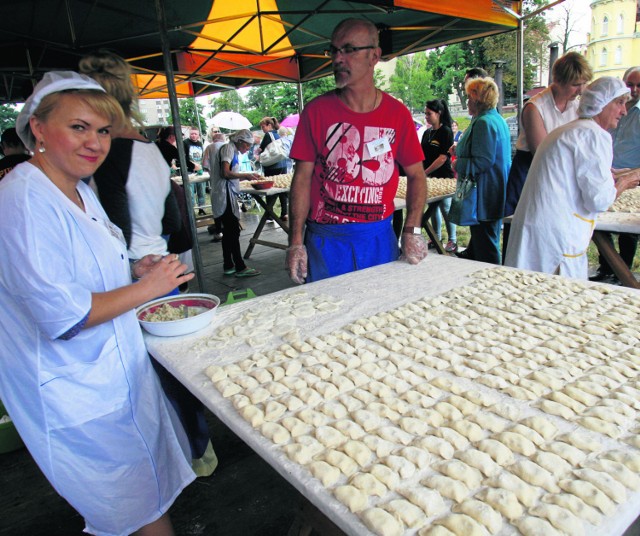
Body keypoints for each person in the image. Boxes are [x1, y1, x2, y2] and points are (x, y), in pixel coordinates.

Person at [0, 70, 195, 536]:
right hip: (74, 388)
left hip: (111, 373)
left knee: (144, 497)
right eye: (79, 127)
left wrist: (134, 271)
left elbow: (79, 272)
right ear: (39, 129)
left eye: (103, 130)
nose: (95, 142)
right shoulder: (23, 201)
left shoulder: (77, 188)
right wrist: (150, 289)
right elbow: (63, 314)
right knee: (132, 507)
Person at [80, 51, 217, 479]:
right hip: (163, 271)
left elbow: (112, 227)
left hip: (133, 276)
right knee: (176, 371)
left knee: (149, 378)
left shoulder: (107, 156)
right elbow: (176, 221)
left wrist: (137, 264)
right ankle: (201, 450)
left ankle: (170, 461)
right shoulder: (151, 150)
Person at [286, 18, 428, 284]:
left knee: (382, 317)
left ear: (374, 56)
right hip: (325, 242)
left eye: (348, 49)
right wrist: (295, 242)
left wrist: (412, 230)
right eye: (333, 50)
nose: (338, 58)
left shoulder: (397, 114)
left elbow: (417, 175)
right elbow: (302, 179)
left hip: (378, 240)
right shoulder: (316, 112)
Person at [504, 77, 640, 279]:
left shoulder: (571, 130)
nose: (624, 111)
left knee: (529, 293)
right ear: (601, 103)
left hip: (540, 230)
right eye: (619, 102)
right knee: (547, 299)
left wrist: (617, 175)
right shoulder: (594, 135)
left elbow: (579, 177)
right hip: (554, 236)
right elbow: (599, 200)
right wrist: (627, 181)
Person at [503, 52, 592, 257]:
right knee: (523, 229)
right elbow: (542, 152)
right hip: (531, 170)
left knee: (555, 229)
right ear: (558, 81)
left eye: (584, 84)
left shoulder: (578, 107)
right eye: (575, 84)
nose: (580, 90)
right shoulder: (535, 107)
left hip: (564, 171)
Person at [454, 76, 511, 265]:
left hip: (484, 194)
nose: (468, 101)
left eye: (470, 97)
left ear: (478, 99)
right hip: (495, 189)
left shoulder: (483, 123)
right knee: (486, 240)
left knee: (486, 246)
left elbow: (483, 161)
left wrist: (457, 164)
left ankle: (491, 282)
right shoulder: (497, 119)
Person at [591, 66, 640, 283]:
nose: (635, 89)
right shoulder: (608, 109)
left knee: (626, 229)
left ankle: (623, 271)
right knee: (602, 220)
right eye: (630, 84)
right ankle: (607, 267)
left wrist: (632, 176)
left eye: (639, 85)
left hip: (632, 177)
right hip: (607, 171)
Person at [210, 129, 262, 277]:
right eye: (246, 146)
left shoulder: (232, 150)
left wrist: (246, 177)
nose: (247, 149)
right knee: (233, 231)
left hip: (226, 194)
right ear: (239, 141)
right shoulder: (228, 149)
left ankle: (228, 264)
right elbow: (225, 173)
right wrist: (245, 174)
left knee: (229, 232)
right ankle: (240, 266)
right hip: (224, 195)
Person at [420, 98, 457, 253]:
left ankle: (452, 240)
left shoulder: (446, 132)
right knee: (432, 207)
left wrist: (425, 172)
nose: (426, 117)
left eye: (429, 114)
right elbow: (422, 155)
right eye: (425, 114)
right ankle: (436, 237)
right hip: (429, 177)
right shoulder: (427, 133)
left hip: (443, 176)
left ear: (439, 113)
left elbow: (443, 157)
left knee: (445, 207)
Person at [258, 116, 289, 221]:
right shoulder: (278, 134)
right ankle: (285, 212)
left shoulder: (268, 135)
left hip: (272, 166)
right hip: (282, 164)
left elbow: (261, 149)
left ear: (269, 125)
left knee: (271, 189)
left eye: (263, 127)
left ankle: (269, 213)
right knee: (282, 189)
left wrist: (258, 152)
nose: (262, 129)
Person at [203, 131, 227, 241]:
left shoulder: (209, 147)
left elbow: (205, 164)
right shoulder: (227, 147)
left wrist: (211, 174)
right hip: (228, 181)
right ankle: (228, 229)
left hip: (215, 182)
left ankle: (219, 231)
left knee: (217, 207)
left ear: (214, 140)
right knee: (228, 206)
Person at [184, 126, 206, 214]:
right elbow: (184, 157)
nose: (193, 135)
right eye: (192, 134)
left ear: (198, 135)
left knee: (201, 191)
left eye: (195, 134)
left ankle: (202, 208)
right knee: (190, 192)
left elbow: (202, 156)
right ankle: (192, 209)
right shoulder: (185, 143)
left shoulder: (200, 144)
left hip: (200, 170)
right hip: (189, 171)